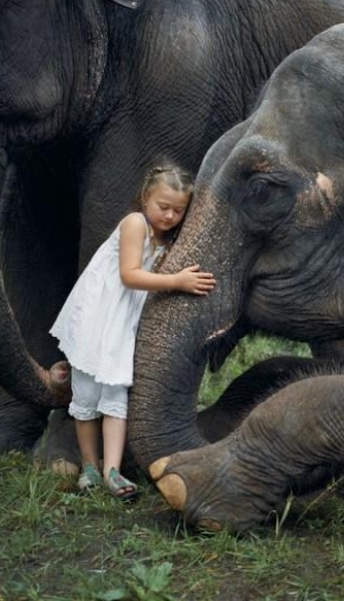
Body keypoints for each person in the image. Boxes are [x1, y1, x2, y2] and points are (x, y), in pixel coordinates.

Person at [50, 164, 216, 500]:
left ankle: (113, 470)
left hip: (121, 325)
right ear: (145, 199)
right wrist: (177, 282)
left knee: (115, 396)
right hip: (98, 319)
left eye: (178, 210)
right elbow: (129, 275)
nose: (170, 215)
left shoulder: (162, 238)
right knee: (85, 396)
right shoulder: (135, 223)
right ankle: (89, 467)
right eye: (163, 206)